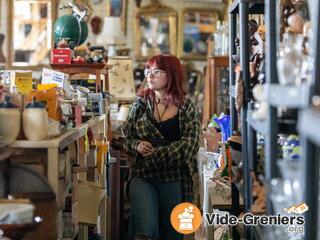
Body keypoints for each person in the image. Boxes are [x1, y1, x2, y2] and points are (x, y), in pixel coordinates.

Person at [122, 54, 200, 240]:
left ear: (171, 75)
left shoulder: (186, 107)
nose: (150, 75)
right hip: (143, 175)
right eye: (148, 70)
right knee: (144, 232)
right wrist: (137, 145)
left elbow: (190, 145)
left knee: (172, 233)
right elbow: (126, 138)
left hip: (173, 177)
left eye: (157, 71)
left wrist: (155, 153)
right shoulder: (140, 104)